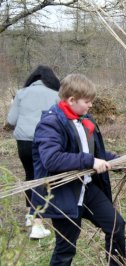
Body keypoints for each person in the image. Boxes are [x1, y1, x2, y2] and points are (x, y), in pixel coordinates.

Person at [30, 74, 126, 265]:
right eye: (87, 101)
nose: (91, 105)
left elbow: (94, 153)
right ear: (71, 100)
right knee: (66, 248)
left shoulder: (84, 119)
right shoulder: (50, 123)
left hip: (86, 188)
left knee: (116, 225)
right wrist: (90, 161)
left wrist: (118, 163)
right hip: (61, 193)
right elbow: (51, 159)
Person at [6, 65, 60, 239]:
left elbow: (11, 120)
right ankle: (39, 220)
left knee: (30, 175)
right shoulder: (56, 95)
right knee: (43, 178)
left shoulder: (21, 93)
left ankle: (30, 214)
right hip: (46, 140)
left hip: (23, 141)